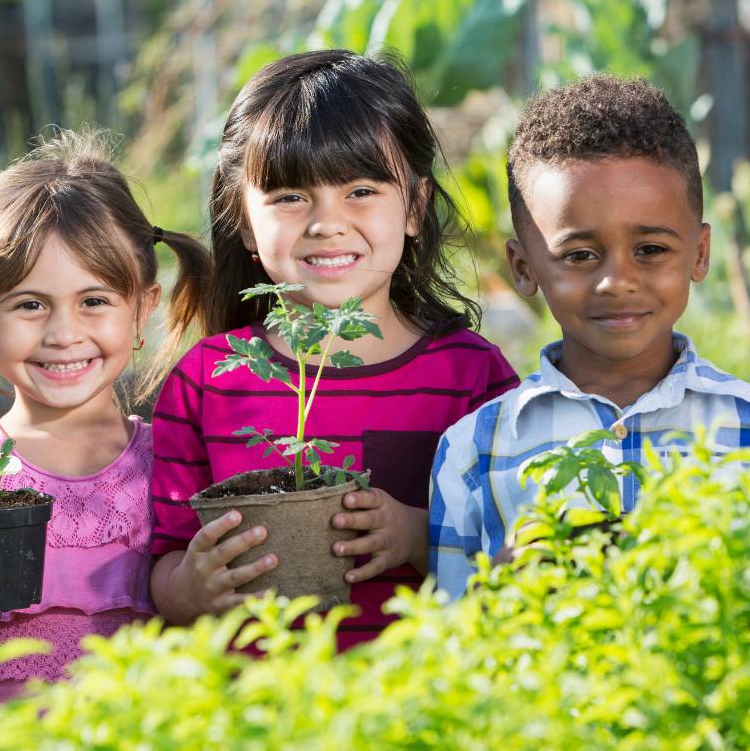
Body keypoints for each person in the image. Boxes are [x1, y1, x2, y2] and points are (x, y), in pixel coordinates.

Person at [149, 49, 519, 646]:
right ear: (243, 219)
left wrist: (419, 536)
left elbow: (516, 559)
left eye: (362, 190)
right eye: (290, 196)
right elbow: (161, 566)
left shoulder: (471, 377)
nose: (326, 222)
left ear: (416, 207)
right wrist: (190, 590)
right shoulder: (206, 379)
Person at [0, 129, 212, 700]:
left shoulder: (176, 461)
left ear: (144, 308)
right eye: (30, 304)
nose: (64, 334)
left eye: (94, 301)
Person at [429, 75, 750, 599]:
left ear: (699, 253)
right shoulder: (475, 450)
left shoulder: (743, 425)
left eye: (650, 249)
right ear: (523, 266)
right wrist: (500, 596)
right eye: (579, 255)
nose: (616, 280)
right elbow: (451, 644)